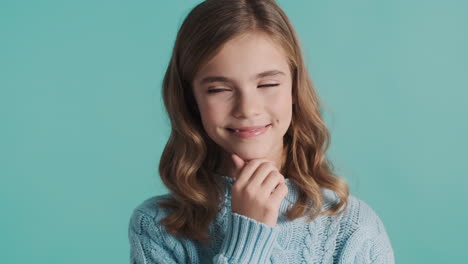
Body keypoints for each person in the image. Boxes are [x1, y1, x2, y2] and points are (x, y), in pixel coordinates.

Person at [128, 0, 395, 263]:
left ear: (294, 88)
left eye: (267, 84)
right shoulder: (158, 226)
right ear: (191, 99)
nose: (247, 109)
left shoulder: (353, 227)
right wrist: (248, 239)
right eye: (219, 89)